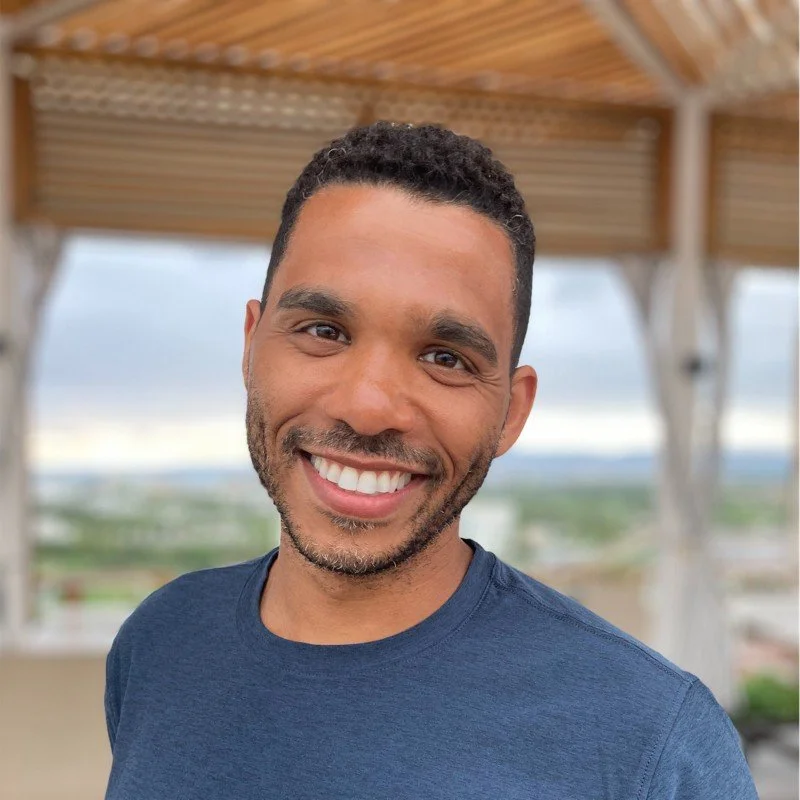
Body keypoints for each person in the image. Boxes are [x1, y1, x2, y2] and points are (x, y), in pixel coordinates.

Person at [103, 122, 757, 799]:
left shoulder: (649, 741)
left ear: (511, 410)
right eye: (323, 331)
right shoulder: (162, 642)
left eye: (446, 358)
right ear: (251, 345)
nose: (367, 407)